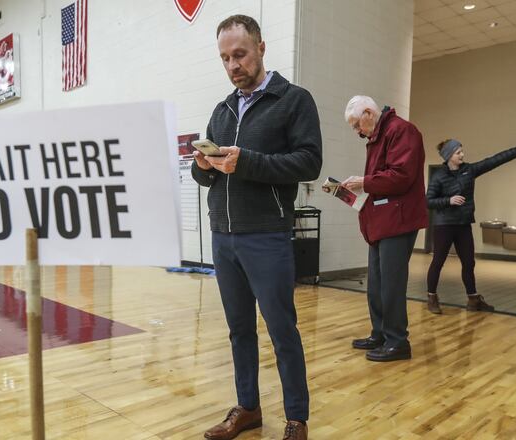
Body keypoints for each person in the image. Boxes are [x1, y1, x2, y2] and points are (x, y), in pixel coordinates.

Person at [191, 14, 321, 440]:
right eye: (225, 58)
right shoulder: (222, 109)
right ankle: (247, 408)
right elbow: (210, 177)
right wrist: (203, 167)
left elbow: (308, 162)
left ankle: (296, 418)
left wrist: (245, 161)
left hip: (266, 234)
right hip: (223, 236)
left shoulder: (294, 100)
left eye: (240, 54)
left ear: (261, 48)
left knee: (282, 329)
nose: (233, 65)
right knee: (239, 329)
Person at [342, 95, 428, 362]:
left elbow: (401, 176)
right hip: (382, 220)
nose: (357, 132)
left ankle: (398, 341)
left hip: (398, 220)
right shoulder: (379, 136)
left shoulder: (402, 130)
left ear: (369, 113)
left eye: (357, 125)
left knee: (391, 283)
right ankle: (380, 333)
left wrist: (364, 182)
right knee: (377, 283)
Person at [425, 138, 516, 314]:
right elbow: (429, 201)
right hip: (444, 225)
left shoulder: (469, 170)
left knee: (469, 263)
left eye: (462, 151)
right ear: (449, 156)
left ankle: (473, 300)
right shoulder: (439, 176)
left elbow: (497, 159)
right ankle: (432, 297)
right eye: (458, 152)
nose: (462, 154)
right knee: (438, 262)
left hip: (463, 224)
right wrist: (449, 200)